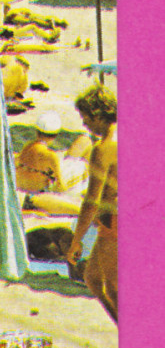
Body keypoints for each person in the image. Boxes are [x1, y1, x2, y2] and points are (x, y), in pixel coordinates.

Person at [66, 84, 117, 322]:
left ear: (97, 114)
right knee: (93, 279)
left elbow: (91, 201)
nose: (84, 123)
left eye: (85, 116)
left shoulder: (103, 147)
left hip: (116, 222)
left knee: (113, 290)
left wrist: (77, 241)